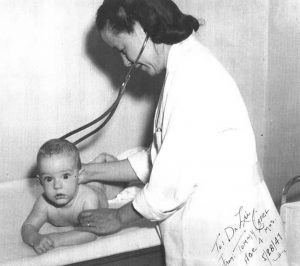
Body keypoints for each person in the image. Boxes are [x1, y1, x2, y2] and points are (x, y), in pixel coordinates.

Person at [77, 0, 288, 265]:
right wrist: (87, 172)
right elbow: (163, 156)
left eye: (122, 49)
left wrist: (118, 218)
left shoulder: (192, 81)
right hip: (233, 229)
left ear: (143, 28)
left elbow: (167, 186)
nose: (124, 61)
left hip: (223, 237)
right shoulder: (188, 66)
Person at [21, 138, 108, 254]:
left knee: (111, 186)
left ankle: (101, 162)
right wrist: (35, 238)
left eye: (65, 176)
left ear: (79, 176)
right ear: (40, 181)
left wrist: (56, 239)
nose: (57, 186)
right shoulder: (43, 203)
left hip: (97, 190)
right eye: (49, 179)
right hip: (78, 184)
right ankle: (96, 163)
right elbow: (28, 226)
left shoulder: (88, 198)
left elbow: (90, 233)